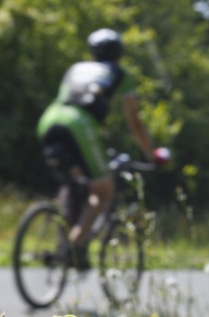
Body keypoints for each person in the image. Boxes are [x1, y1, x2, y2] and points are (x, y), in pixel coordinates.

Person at [38, 28, 156, 269]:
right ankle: (73, 245)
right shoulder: (120, 73)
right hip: (80, 125)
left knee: (74, 183)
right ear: (119, 54)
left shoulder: (76, 68)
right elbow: (133, 121)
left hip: (49, 120)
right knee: (103, 191)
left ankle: (66, 236)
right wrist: (151, 154)